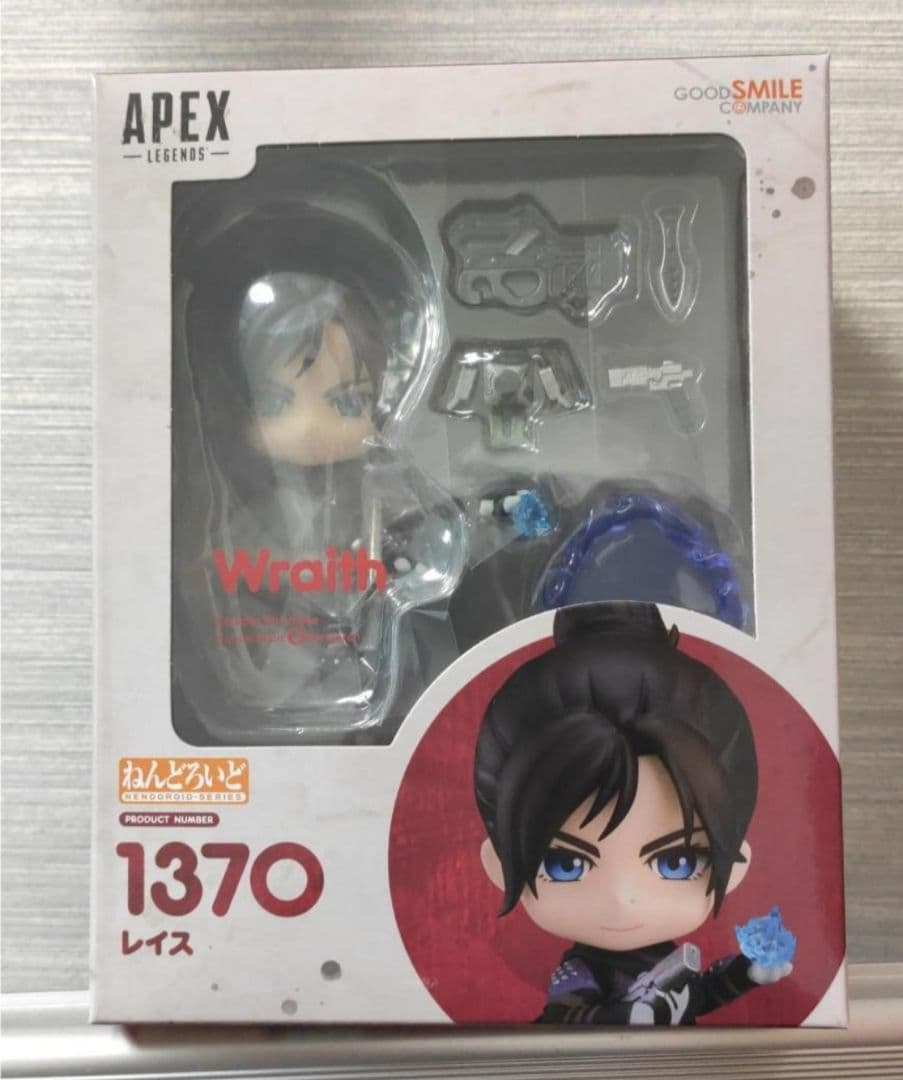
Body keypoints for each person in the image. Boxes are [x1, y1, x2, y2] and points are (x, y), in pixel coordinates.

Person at [473, 602, 793, 1025]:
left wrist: (746, 974)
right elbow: (563, 1017)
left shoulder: (671, 963)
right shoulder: (580, 973)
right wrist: (622, 1017)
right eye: (565, 863)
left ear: (735, 863)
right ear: (499, 864)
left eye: (677, 862)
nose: (621, 897)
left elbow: (700, 995)